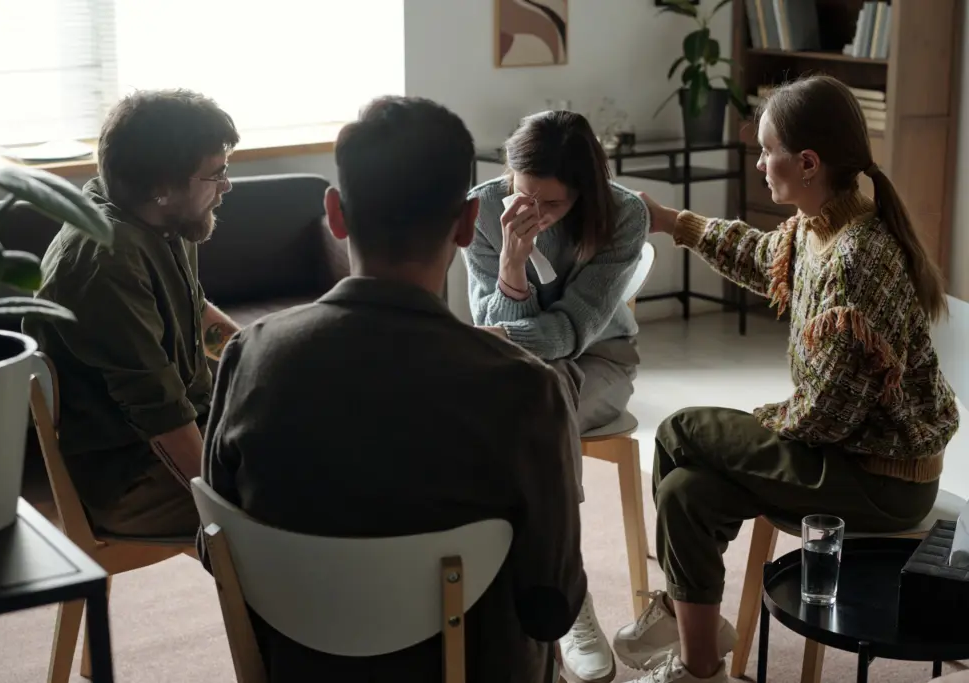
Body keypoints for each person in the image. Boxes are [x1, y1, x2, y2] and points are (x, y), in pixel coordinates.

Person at [199, 96, 587, 683]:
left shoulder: (248, 356)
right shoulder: (526, 388)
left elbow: (217, 550)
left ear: (336, 213)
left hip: (304, 670)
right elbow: (550, 605)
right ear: (467, 224)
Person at [612, 74, 960, 683]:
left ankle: (674, 612)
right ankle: (700, 665)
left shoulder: (856, 260)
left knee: (680, 431)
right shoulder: (817, 226)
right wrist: (670, 221)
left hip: (880, 478)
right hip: (844, 453)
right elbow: (759, 254)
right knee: (685, 494)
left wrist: (757, 424)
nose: (759, 163)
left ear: (807, 163)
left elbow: (827, 416)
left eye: (767, 150)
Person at [464, 109, 650, 682]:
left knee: (541, 396)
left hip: (602, 362)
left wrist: (499, 336)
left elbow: (572, 331)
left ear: (584, 190)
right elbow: (492, 328)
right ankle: (546, 583)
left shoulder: (624, 214)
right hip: (518, 376)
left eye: (553, 204)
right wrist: (512, 261)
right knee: (525, 396)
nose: (535, 213)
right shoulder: (482, 210)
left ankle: (566, 594)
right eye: (525, 196)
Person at [24, 89, 241, 538]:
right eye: (216, 174)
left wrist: (261, 365)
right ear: (161, 186)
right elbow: (160, 413)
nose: (227, 186)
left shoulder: (161, 220)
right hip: (130, 478)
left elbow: (194, 312)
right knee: (299, 489)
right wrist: (224, 504)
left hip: (184, 430)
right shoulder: (107, 260)